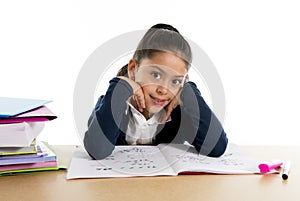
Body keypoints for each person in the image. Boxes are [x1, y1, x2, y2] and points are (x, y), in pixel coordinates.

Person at [84, 23, 228, 160]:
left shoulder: (180, 114)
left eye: (175, 81)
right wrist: (121, 85)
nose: (163, 90)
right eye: (156, 75)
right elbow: (98, 150)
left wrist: (188, 92)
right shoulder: (111, 104)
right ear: (133, 68)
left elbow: (216, 147)